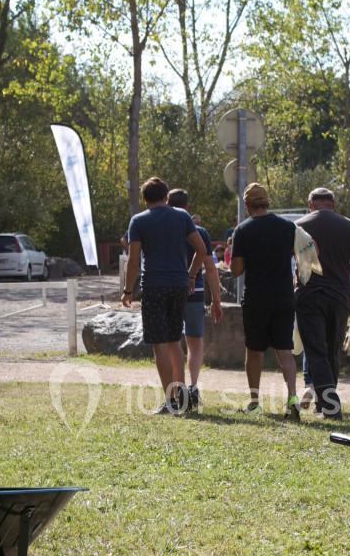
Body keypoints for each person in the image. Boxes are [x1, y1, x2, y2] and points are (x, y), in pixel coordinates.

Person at [123, 177, 221, 414]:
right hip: (179, 285)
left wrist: (127, 290)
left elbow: (134, 260)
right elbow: (201, 249)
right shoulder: (182, 217)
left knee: (159, 344)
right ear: (166, 196)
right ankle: (182, 394)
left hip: (154, 284)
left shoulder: (138, 221)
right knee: (175, 340)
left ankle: (171, 399)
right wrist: (190, 275)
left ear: (145, 199)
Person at [229, 182, 309, 419]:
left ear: (247, 205)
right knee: (285, 350)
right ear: (267, 202)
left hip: (256, 298)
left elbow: (236, 270)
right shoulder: (288, 227)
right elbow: (303, 257)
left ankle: (255, 402)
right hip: (284, 296)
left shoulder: (243, 230)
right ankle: (292, 398)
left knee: (254, 351)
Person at [296, 187, 350, 420]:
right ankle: (325, 401)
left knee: (316, 350)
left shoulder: (299, 226)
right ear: (333, 204)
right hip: (339, 297)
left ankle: (330, 405)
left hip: (309, 296)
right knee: (331, 351)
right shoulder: (349, 226)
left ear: (310, 204)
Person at [165, 189, 214, 411]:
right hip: (196, 291)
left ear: (167, 202)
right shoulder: (200, 231)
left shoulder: (165, 230)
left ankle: (177, 390)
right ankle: (193, 386)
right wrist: (217, 300)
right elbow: (210, 267)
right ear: (188, 205)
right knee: (195, 342)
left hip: (170, 289)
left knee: (172, 342)